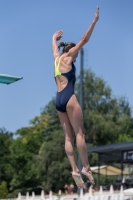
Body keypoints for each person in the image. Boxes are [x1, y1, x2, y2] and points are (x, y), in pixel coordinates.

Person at [52, 7, 99, 188]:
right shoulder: (69, 55)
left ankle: (74, 169)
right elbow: (84, 39)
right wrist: (94, 22)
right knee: (80, 134)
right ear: (71, 51)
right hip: (69, 97)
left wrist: (53, 38)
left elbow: (54, 47)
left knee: (68, 137)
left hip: (58, 100)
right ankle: (86, 167)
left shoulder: (56, 58)